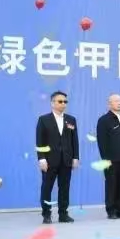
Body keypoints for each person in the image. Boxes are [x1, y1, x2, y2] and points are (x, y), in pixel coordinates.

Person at [35, 91, 79, 224]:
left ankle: (63, 214)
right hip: (49, 160)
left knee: (64, 188)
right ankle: (46, 214)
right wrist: (41, 158)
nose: (63, 104)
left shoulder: (71, 120)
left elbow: (74, 140)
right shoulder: (44, 120)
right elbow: (40, 141)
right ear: (52, 103)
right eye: (60, 101)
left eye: (65, 101)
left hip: (66, 160)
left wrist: (75, 157)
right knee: (47, 188)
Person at [95, 94, 120, 219]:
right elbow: (101, 142)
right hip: (111, 160)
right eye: (116, 101)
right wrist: (105, 159)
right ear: (109, 104)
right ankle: (111, 210)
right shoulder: (104, 120)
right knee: (111, 184)